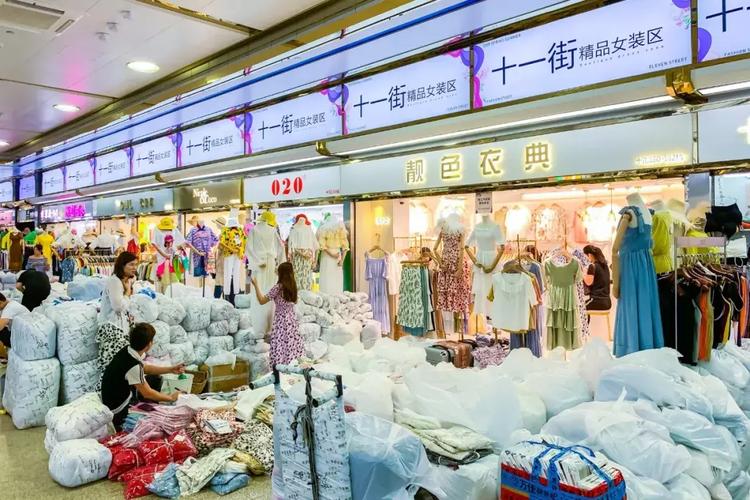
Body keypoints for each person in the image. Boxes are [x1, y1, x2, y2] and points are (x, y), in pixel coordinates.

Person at [100, 323, 185, 430]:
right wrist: (171, 398)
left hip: (113, 398)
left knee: (155, 378)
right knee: (153, 423)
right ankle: (121, 423)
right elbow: (147, 393)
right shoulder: (132, 365)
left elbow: (145, 368)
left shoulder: (128, 351)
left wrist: (170, 369)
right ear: (149, 344)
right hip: (117, 410)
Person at [251, 261, 304, 368]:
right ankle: (292, 371)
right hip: (292, 322)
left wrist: (256, 285)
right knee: (291, 347)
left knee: (280, 347)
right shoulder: (293, 287)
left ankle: (280, 373)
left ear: (281, 274)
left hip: (281, 322)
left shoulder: (278, 287)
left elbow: (262, 300)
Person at [100, 251, 137, 332]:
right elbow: (118, 307)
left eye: (135, 264)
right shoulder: (115, 281)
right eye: (131, 264)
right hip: (112, 329)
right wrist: (127, 292)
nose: (135, 268)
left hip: (120, 327)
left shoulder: (127, 280)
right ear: (122, 265)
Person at [583, 244, 612, 311]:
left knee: (578, 308)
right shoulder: (605, 266)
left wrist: (582, 273)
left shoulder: (592, 266)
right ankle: (586, 321)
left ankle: (585, 322)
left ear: (589, 255)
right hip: (607, 302)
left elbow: (588, 282)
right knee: (583, 307)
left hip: (597, 301)